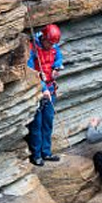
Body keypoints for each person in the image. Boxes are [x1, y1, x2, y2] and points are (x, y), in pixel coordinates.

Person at [26, 23, 63, 166]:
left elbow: (58, 58)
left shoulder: (54, 47)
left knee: (48, 123)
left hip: (51, 89)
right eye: (49, 43)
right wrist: (42, 88)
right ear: (43, 38)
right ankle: (36, 155)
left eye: (53, 44)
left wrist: (56, 67)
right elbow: (30, 70)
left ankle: (46, 152)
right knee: (37, 125)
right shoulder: (33, 48)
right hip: (38, 92)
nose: (51, 46)